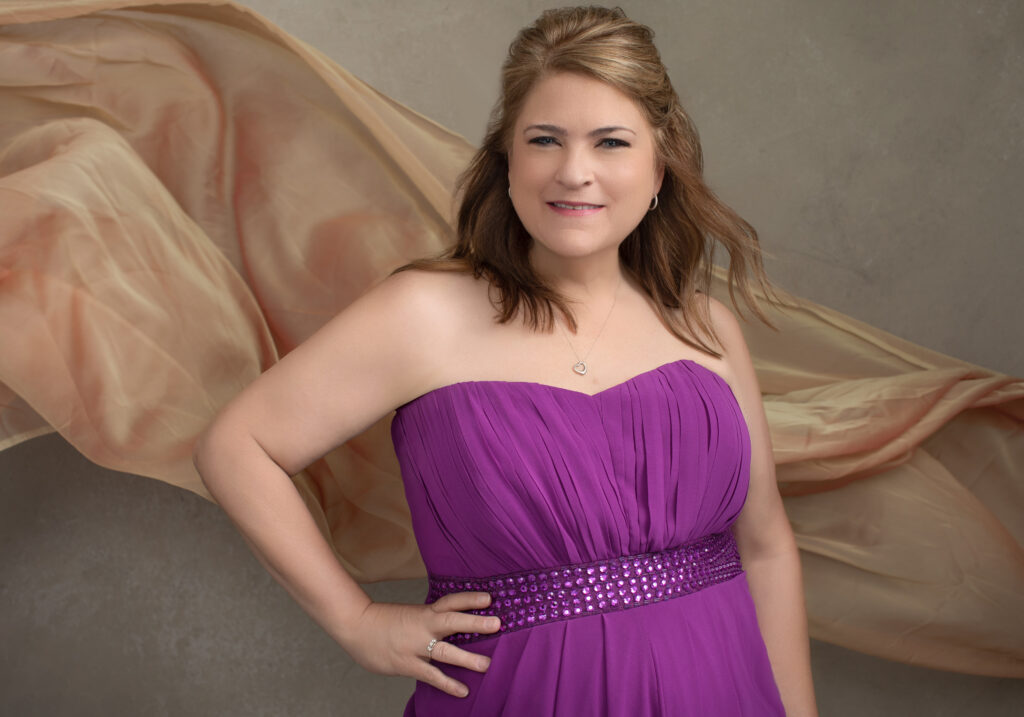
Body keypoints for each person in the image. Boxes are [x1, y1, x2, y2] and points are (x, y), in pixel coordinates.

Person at [193, 6, 818, 715]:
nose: (574, 172)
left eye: (611, 142)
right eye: (544, 139)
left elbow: (765, 547)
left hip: (722, 688)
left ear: (659, 167)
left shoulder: (706, 329)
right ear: (508, 162)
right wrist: (356, 620)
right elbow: (235, 445)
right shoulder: (423, 314)